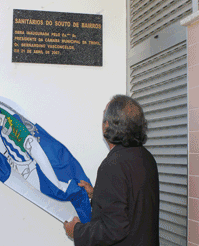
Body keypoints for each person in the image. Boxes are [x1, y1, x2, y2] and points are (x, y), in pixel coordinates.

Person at [64, 94, 159, 245]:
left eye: (104, 117)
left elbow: (114, 229)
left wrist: (76, 231)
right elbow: (132, 204)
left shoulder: (113, 165)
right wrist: (97, 194)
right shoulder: (146, 158)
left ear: (107, 125)